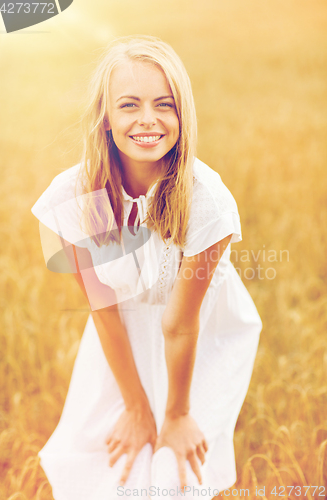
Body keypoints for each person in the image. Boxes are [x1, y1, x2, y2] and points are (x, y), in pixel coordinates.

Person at [31, 35, 263, 500]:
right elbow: (103, 304)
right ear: (106, 118)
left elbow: (179, 324)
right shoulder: (78, 197)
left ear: (183, 114)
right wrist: (136, 405)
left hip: (199, 336)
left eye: (164, 104)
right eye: (129, 105)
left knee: (173, 473)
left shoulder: (205, 202)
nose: (148, 120)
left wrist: (175, 414)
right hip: (120, 333)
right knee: (109, 466)